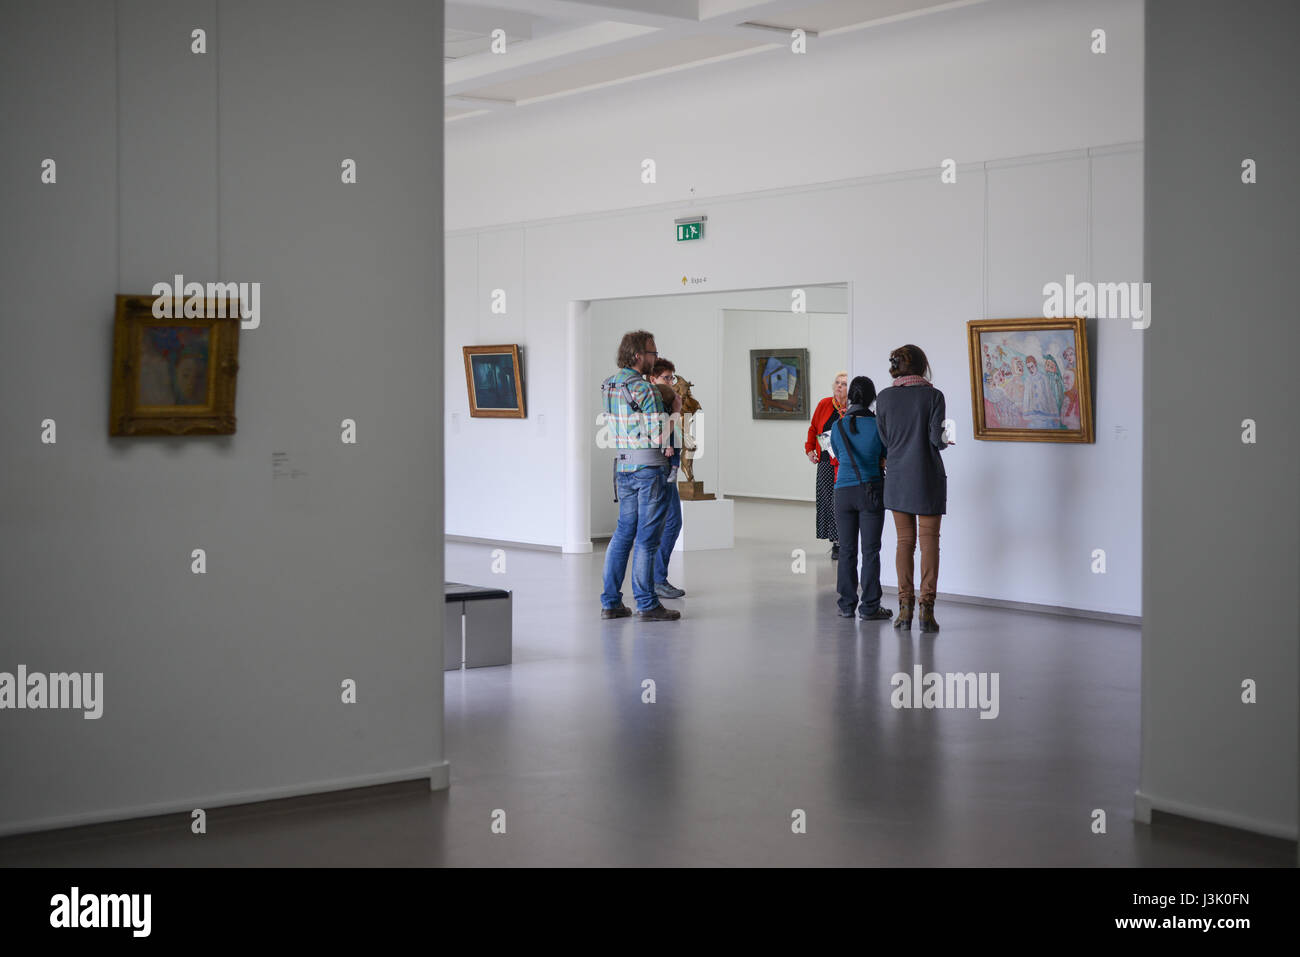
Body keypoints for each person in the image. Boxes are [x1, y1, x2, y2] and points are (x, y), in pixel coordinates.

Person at [599, 331, 680, 622]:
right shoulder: (645, 390)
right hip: (648, 469)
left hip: (623, 467)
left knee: (622, 535)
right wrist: (676, 414)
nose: (655, 358)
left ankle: (611, 602)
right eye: (653, 353)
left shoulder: (609, 385)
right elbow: (659, 435)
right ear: (638, 356)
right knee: (647, 539)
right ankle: (647, 603)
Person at [875, 344, 953, 634]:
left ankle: (904, 609)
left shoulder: (883, 398)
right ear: (922, 366)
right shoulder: (933, 396)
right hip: (927, 476)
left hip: (896, 477)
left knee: (903, 542)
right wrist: (946, 438)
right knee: (930, 541)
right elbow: (937, 439)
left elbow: (885, 438)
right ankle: (927, 612)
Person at [829, 376, 892, 621]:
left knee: (846, 550)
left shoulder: (838, 425)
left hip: (842, 492)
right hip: (871, 490)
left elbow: (836, 453)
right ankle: (869, 607)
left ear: (851, 396)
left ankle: (846, 604)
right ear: (871, 398)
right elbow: (886, 455)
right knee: (871, 551)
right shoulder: (878, 425)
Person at [649, 358, 686, 600]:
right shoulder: (657, 404)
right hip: (659, 470)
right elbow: (660, 438)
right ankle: (657, 580)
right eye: (666, 378)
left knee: (667, 524)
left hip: (665, 469)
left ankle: (654, 579)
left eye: (672, 377)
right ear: (653, 379)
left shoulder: (666, 401)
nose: (671, 382)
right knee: (668, 524)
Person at [806, 371, 849, 559]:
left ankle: (845, 539)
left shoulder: (852, 408)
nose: (839, 386)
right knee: (827, 500)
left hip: (844, 462)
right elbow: (814, 428)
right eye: (837, 383)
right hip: (825, 460)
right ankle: (836, 541)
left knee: (839, 500)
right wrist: (809, 449)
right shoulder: (824, 404)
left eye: (844, 384)